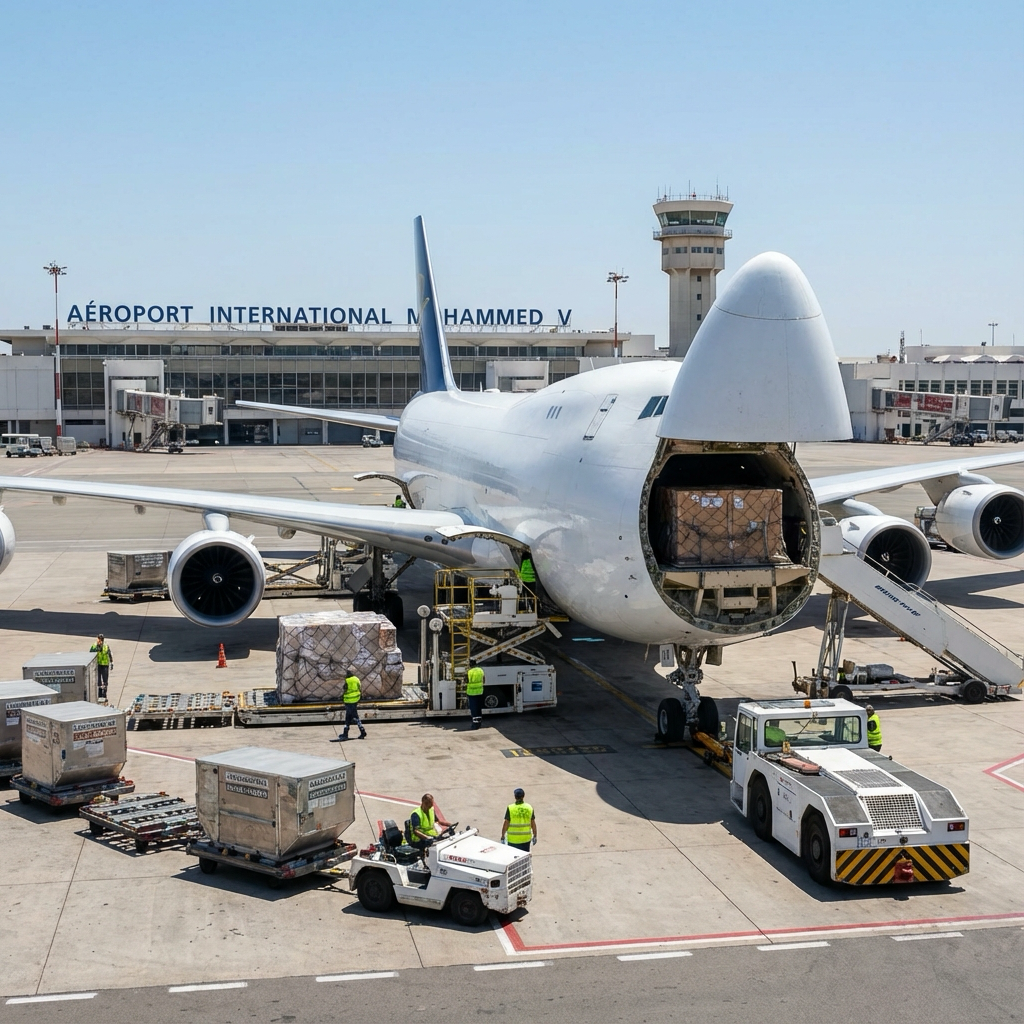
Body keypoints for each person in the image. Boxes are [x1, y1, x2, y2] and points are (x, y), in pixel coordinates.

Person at [406, 793, 443, 863]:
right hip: (418, 840)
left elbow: (437, 821)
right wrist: (427, 838)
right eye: (430, 804)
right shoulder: (416, 814)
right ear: (424, 803)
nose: (432, 806)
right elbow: (415, 831)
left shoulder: (431, 810)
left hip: (431, 836)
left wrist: (449, 824)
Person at [501, 788, 537, 852]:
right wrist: (535, 835)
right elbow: (533, 823)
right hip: (525, 839)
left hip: (513, 840)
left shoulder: (510, 808)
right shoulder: (529, 807)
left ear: (515, 797)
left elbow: (506, 823)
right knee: (523, 859)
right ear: (523, 796)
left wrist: (503, 836)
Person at [341, 666, 367, 740]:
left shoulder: (347, 680)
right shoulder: (357, 679)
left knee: (353, 716)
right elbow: (359, 688)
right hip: (355, 699)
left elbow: (345, 689)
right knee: (349, 716)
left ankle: (362, 730)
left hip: (348, 700)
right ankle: (346, 732)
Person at [90, 634, 113, 701]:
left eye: (101, 639)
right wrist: (97, 646)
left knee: (105, 679)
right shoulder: (94, 645)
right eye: (99, 638)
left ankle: (104, 693)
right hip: (98, 664)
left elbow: (109, 653)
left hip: (105, 664)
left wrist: (111, 662)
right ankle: (100, 693)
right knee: (98, 679)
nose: (100, 640)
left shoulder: (106, 646)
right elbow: (91, 652)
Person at [466, 665, 485, 730]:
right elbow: (484, 680)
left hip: (471, 693)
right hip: (479, 692)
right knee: (478, 707)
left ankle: (475, 724)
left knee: (473, 709)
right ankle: (479, 723)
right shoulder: (480, 670)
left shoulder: (469, 672)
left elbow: (467, 681)